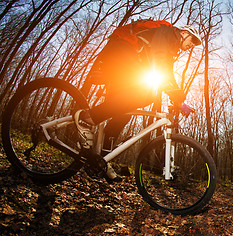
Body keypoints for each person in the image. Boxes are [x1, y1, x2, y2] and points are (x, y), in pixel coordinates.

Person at [73, 19, 201, 182]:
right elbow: (159, 61)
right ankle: (87, 118)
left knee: (124, 113)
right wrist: (177, 96)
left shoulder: (171, 47)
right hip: (120, 52)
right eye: (192, 41)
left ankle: (102, 160)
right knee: (144, 95)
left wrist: (178, 98)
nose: (192, 46)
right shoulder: (167, 34)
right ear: (184, 33)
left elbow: (166, 69)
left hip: (126, 61)